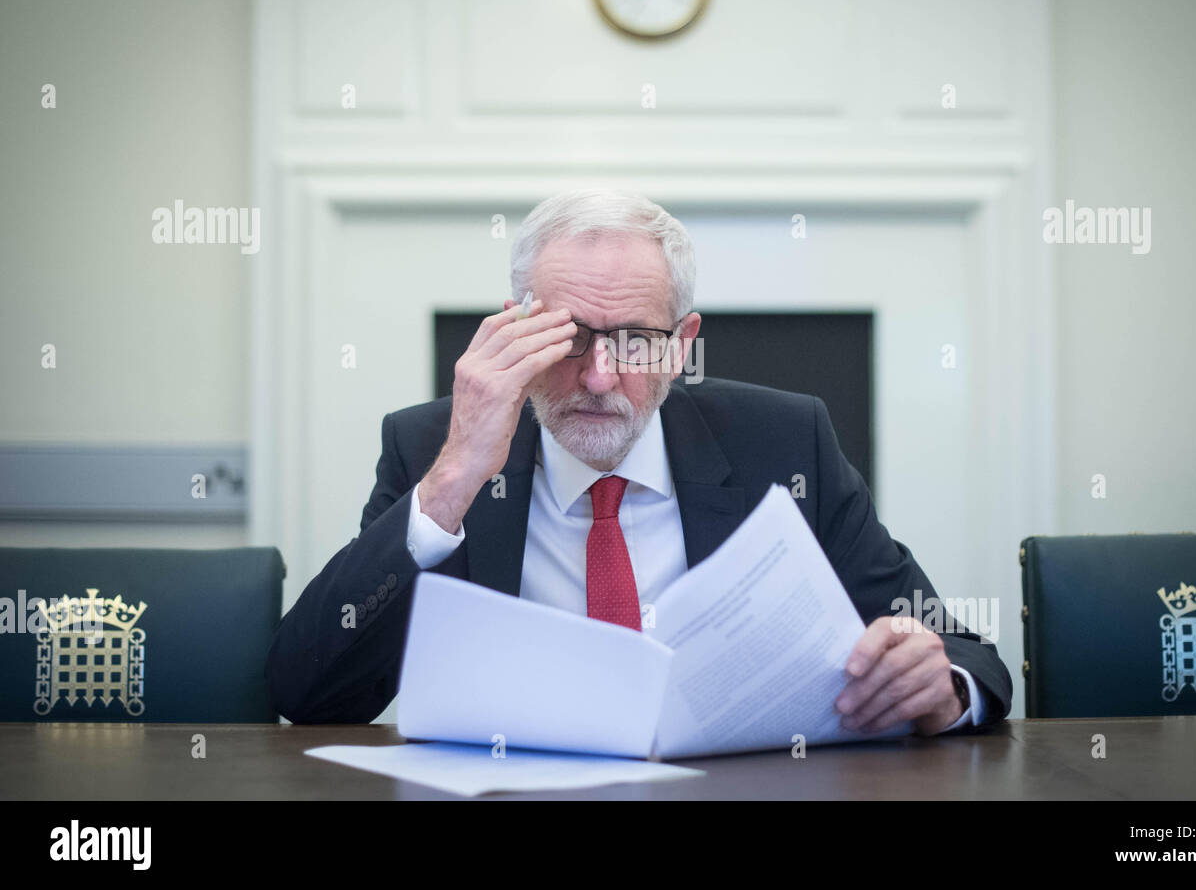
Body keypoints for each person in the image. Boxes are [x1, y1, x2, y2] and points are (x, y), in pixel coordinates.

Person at [265, 188, 1012, 734]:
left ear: (682, 343)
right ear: (515, 327)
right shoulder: (432, 446)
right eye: (568, 337)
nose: (598, 378)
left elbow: (962, 652)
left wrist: (940, 685)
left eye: (635, 341)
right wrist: (453, 479)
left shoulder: (784, 442)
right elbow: (307, 689)